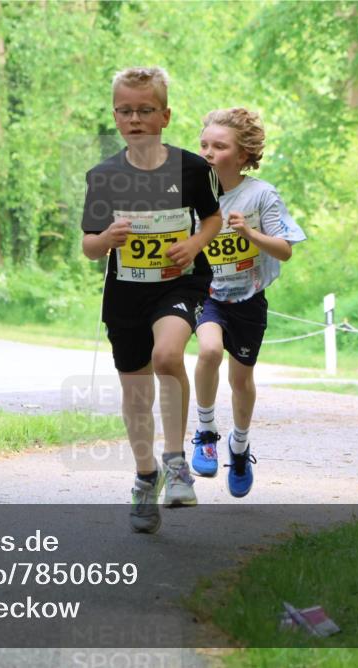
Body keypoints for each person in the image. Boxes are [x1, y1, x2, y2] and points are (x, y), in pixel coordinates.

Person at [81, 66, 222, 533]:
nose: (135, 119)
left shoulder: (191, 168)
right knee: (136, 394)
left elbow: (213, 220)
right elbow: (88, 245)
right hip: (126, 294)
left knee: (167, 356)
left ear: (165, 115)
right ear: (115, 116)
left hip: (178, 284)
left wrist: (195, 246)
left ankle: (177, 461)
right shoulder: (103, 176)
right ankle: (146, 477)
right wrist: (108, 239)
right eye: (126, 111)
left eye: (145, 110)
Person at [190, 108, 306, 497]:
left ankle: (238, 448)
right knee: (208, 352)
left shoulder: (260, 194)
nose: (208, 152)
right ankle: (205, 430)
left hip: (249, 298)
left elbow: (285, 250)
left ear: (241, 155)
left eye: (219, 146)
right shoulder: (191, 192)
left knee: (241, 379)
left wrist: (250, 232)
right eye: (204, 144)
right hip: (208, 294)